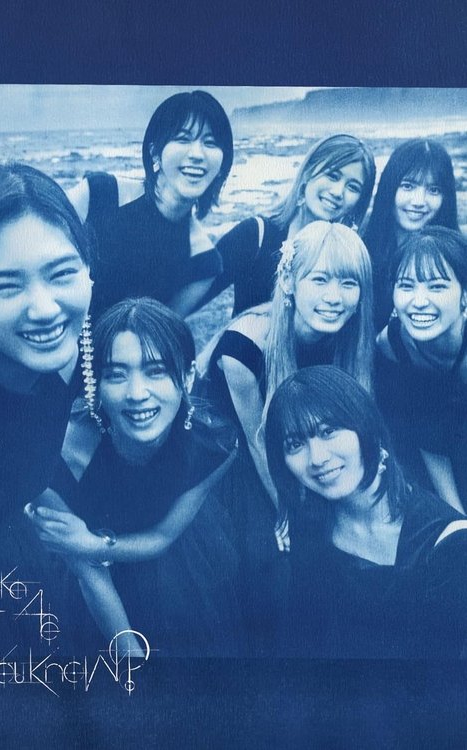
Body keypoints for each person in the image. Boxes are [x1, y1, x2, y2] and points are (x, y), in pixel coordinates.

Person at [27, 297, 243, 657]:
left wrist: (92, 544)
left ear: (188, 376)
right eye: (116, 374)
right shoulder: (54, 456)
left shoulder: (215, 444)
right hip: (92, 586)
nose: (137, 394)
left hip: (178, 556)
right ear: (95, 384)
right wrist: (130, 652)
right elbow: (89, 573)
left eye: (156, 371)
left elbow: (163, 537)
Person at [200, 221, 374, 651]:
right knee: (274, 554)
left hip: (302, 443)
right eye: (320, 279)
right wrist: (287, 510)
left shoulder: (349, 337)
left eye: (348, 283)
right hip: (235, 453)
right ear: (289, 282)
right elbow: (259, 442)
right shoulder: (244, 347)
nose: (334, 297)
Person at [0, 161, 93, 655]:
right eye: (6, 285)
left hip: (13, 560)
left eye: (62, 274)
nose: (44, 309)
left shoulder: (77, 354)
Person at [265, 365, 467, 658]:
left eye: (328, 431)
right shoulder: (308, 527)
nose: (317, 458)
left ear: (365, 427)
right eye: (295, 444)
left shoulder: (450, 544)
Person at [68, 90, 234, 318]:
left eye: (210, 142)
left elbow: (159, 333)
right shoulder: (98, 194)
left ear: (222, 164)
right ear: (155, 151)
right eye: (183, 138)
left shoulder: (204, 262)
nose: (197, 154)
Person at [200, 134, 375, 315]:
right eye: (332, 176)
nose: (338, 192)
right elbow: (185, 300)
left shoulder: (351, 257)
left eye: (353, 187)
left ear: (360, 201)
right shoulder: (255, 235)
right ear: (308, 172)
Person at [375, 226, 467, 513]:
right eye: (406, 285)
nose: (419, 301)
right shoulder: (392, 345)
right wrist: (457, 516)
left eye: (437, 286)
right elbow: (425, 431)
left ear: (465, 295)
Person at [363, 138, 459, 330]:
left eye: (433, 190)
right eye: (408, 186)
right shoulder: (361, 247)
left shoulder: (458, 257)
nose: (419, 201)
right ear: (389, 188)